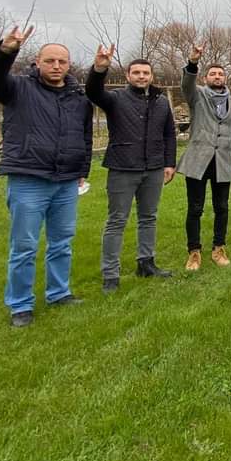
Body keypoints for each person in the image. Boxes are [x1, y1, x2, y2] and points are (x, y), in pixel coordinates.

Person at [0, 26, 92, 327]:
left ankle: (59, 292)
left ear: (69, 65)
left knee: (62, 242)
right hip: (29, 179)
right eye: (50, 61)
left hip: (66, 181)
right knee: (25, 246)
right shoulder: (16, 88)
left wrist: (82, 171)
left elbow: (84, 136)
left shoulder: (78, 98)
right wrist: (4, 51)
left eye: (62, 62)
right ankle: (20, 304)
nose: (56, 66)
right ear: (37, 62)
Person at [85, 45, 176, 292]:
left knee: (148, 218)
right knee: (117, 221)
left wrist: (169, 163)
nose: (141, 77)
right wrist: (99, 69)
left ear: (152, 76)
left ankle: (146, 263)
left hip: (154, 167)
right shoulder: (115, 99)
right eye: (136, 73)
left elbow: (169, 134)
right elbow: (93, 91)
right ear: (128, 76)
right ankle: (110, 275)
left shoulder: (160, 101)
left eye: (146, 73)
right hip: (123, 167)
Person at [179, 43, 231, 270]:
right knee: (195, 208)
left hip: (222, 162)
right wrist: (193, 61)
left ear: (225, 78)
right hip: (198, 160)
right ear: (206, 78)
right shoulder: (198, 97)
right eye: (213, 73)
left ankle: (218, 248)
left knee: (222, 207)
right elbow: (186, 84)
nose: (218, 76)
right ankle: (194, 252)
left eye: (221, 74)